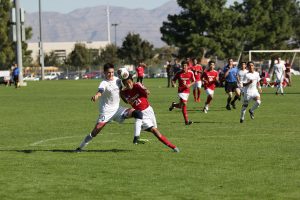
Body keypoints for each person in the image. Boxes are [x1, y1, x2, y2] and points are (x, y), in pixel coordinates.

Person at [75, 63, 144, 152]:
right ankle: (80, 148)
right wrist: (97, 95)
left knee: (138, 113)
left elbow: (124, 88)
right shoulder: (103, 83)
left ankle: (136, 138)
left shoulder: (118, 80)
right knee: (95, 132)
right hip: (106, 112)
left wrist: (133, 88)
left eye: (112, 72)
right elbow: (100, 91)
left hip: (118, 110)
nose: (111, 74)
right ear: (104, 73)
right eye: (108, 73)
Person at [120, 75, 179, 152]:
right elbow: (126, 101)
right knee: (155, 131)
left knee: (154, 129)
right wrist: (121, 93)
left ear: (132, 81)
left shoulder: (137, 85)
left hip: (149, 110)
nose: (128, 85)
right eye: (126, 84)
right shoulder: (124, 92)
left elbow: (147, 92)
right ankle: (173, 147)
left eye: (129, 82)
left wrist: (145, 89)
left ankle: (140, 133)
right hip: (140, 114)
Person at [169, 60, 195, 125]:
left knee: (181, 106)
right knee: (184, 104)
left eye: (185, 65)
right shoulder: (178, 73)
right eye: (183, 65)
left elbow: (194, 81)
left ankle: (174, 105)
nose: (184, 67)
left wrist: (189, 85)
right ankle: (186, 121)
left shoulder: (191, 73)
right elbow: (173, 80)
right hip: (181, 91)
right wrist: (173, 84)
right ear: (181, 66)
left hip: (187, 91)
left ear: (188, 66)